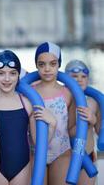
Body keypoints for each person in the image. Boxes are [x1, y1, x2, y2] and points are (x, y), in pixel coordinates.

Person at [0, 50, 57, 185]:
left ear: (18, 76)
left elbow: (39, 142)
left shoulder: (27, 104)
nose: (7, 79)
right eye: (1, 73)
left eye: (13, 73)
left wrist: (52, 124)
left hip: (22, 167)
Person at [32, 42, 77, 185]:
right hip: (35, 152)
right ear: (36, 65)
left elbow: (71, 127)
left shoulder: (68, 93)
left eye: (52, 64)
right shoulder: (29, 91)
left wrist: (86, 150)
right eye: (42, 64)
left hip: (61, 153)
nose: (47, 69)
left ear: (59, 64)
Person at [65, 60, 101, 185]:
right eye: (74, 76)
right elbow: (64, 133)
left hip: (88, 156)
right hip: (66, 158)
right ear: (65, 79)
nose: (80, 79)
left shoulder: (93, 102)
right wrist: (83, 126)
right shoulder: (62, 101)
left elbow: (99, 130)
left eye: (84, 76)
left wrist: (93, 120)